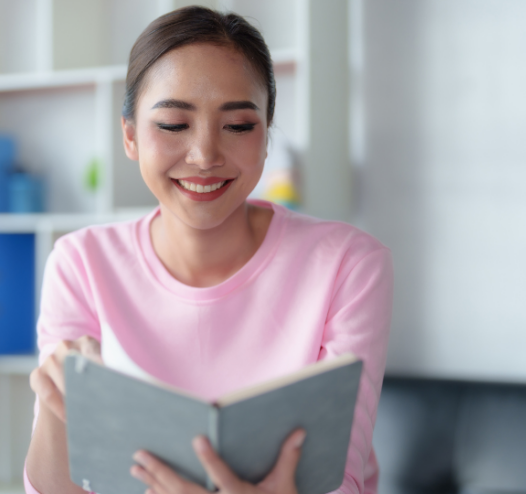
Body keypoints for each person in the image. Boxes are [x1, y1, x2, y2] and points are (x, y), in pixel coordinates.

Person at [24, 6, 392, 494]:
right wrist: (57, 399)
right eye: (174, 125)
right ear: (130, 136)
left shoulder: (348, 264)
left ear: (266, 138)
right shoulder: (80, 264)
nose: (204, 156)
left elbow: (341, 480)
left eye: (238, 126)